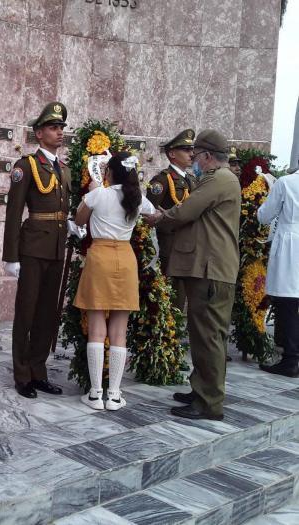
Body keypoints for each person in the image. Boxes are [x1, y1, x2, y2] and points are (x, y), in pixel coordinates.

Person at [143, 130, 241, 421]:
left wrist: (161, 217)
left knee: (209, 338)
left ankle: (209, 403)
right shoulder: (220, 179)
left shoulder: (219, 180)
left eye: (196, 155)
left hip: (211, 271)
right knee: (203, 336)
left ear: (208, 156)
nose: (193, 161)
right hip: (209, 268)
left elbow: (186, 212)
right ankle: (201, 390)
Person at [75, 152, 155, 410]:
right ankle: (115, 395)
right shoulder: (137, 197)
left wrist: (91, 190)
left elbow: (79, 220)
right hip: (125, 258)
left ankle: (95, 394)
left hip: (100, 257)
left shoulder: (100, 193)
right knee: (119, 331)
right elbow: (155, 215)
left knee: (97, 327)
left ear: (109, 171)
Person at [3, 102, 72, 399]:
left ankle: (38, 370)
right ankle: (22, 374)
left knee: (47, 314)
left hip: (56, 248)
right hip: (32, 249)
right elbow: (15, 212)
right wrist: (11, 256)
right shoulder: (26, 166)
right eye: (54, 128)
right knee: (27, 312)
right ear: (39, 133)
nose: (59, 133)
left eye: (61, 128)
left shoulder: (65, 170)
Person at [146, 129, 196, 312]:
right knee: (170, 290)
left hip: (188, 244)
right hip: (169, 244)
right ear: (172, 154)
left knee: (181, 292)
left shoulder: (191, 179)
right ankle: (168, 331)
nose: (191, 154)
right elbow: (149, 214)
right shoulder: (162, 180)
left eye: (192, 149)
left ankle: (176, 328)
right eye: (185, 150)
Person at [257, 171, 299, 377]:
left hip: (291, 244)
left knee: (288, 302)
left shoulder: (286, 182)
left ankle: (290, 359)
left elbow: (264, 215)